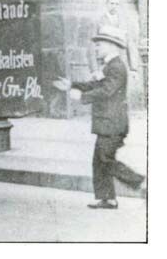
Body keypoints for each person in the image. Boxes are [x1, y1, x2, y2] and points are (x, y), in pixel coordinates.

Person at [53, 25, 145, 209]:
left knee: (105, 160)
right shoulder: (110, 65)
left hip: (113, 123)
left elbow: (106, 90)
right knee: (99, 160)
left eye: (100, 44)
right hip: (107, 123)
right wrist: (72, 84)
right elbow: (93, 84)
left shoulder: (117, 66)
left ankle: (140, 182)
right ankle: (107, 198)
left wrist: (82, 97)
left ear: (111, 45)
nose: (97, 48)